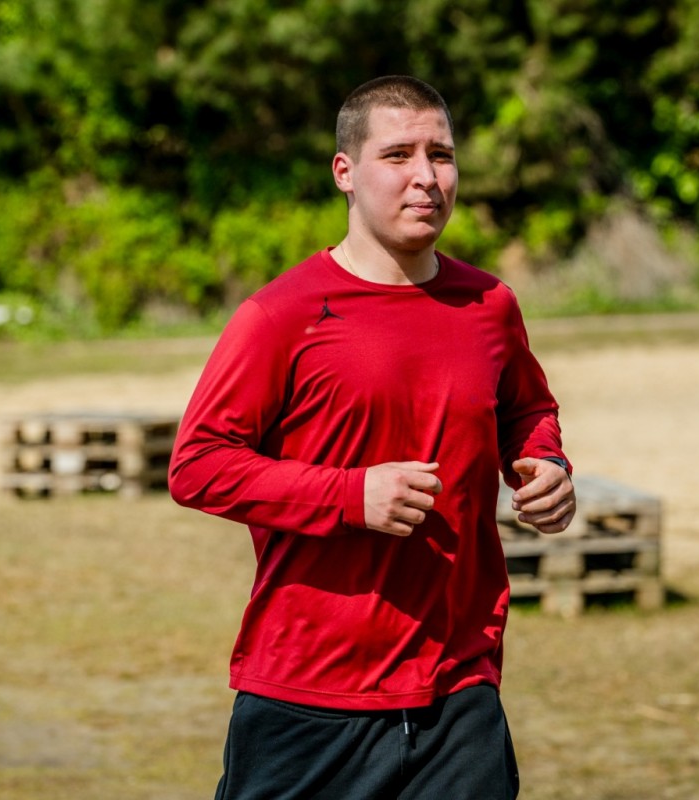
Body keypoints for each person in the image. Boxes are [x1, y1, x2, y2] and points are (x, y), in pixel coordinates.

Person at [169, 75, 575, 799]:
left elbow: (527, 409)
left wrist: (545, 462)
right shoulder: (280, 315)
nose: (426, 177)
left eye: (441, 155)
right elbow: (198, 465)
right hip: (309, 697)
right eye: (398, 155)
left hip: (460, 691)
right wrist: (350, 495)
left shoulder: (490, 304)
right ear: (345, 172)